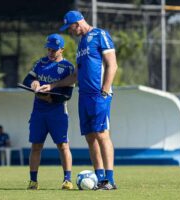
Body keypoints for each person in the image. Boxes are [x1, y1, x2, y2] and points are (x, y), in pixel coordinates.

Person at [39, 11, 118, 190]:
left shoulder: (100, 35)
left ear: (78, 23)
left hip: (99, 95)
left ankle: (110, 180)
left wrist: (105, 90)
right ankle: (100, 179)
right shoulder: (81, 44)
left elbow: (112, 64)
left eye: (71, 28)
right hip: (84, 96)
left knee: (101, 134)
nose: (71, 31)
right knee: (90, 137)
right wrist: (52, 86)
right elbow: (75, 75)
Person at [22, 33, 75, 190]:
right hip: (38, 111)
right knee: (36, 146)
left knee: (62, 145)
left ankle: (67, 180)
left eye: (54, 50)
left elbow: (67, 94)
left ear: (62, 50)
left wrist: (49, 98)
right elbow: (26, 80)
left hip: (57, 111)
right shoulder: (41, 63)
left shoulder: (68, 67)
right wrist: (34, 83)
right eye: (49, 49)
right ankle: (33, 181)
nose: (50, 53)